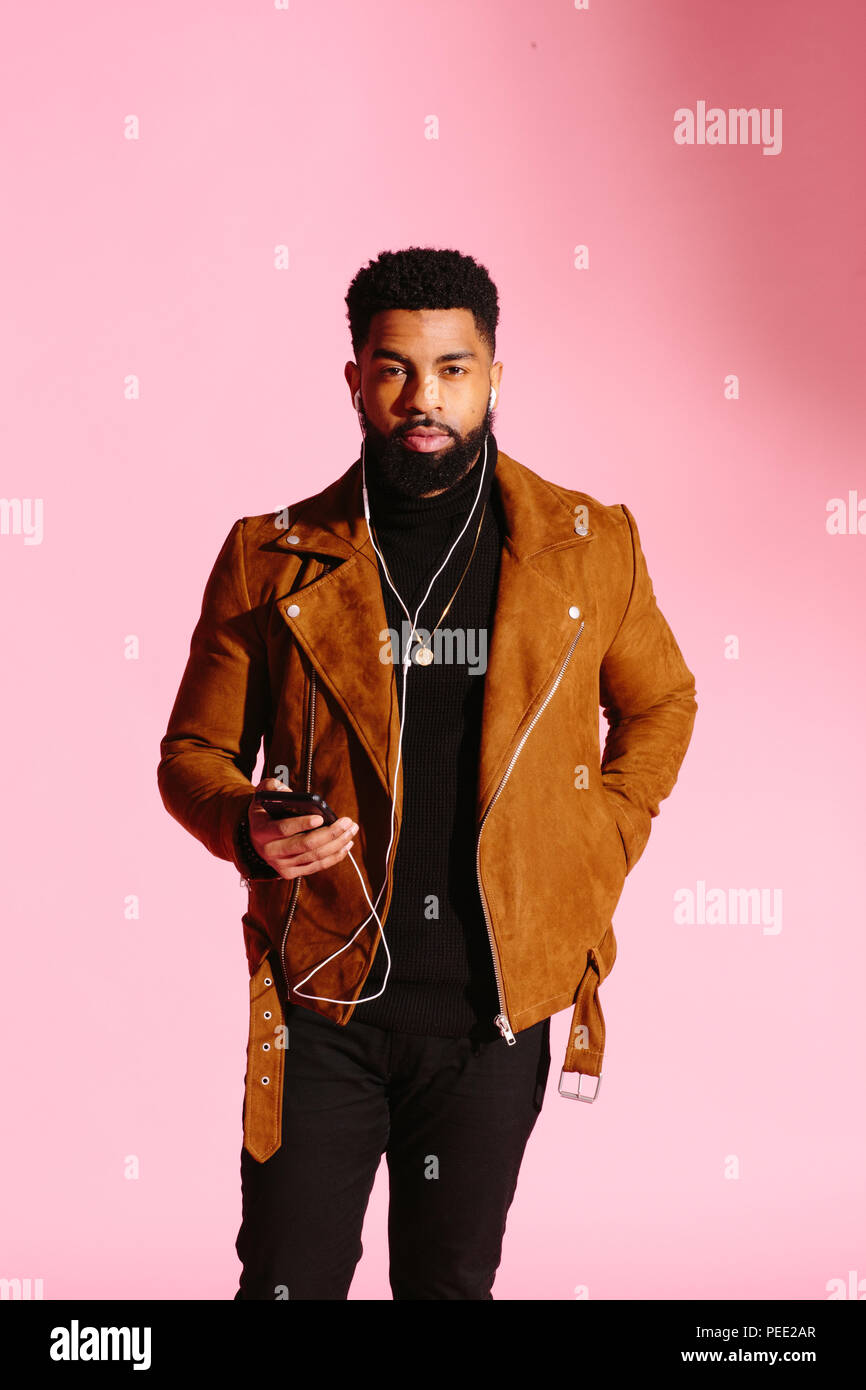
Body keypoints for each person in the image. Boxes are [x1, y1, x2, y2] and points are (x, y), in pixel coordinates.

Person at [157, 246, 698, 1300]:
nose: (424, 396)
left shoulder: (587, 547)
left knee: (449, 1284)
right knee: (286, 1278)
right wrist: (248, 825)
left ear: (494, 376)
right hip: (323, 1002)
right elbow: (193, 755)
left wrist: (598, 835)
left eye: (453, 367)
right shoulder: (270, 555)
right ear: (355, 378)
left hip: (494, 1018)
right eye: (395, 367)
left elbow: (661, 702)